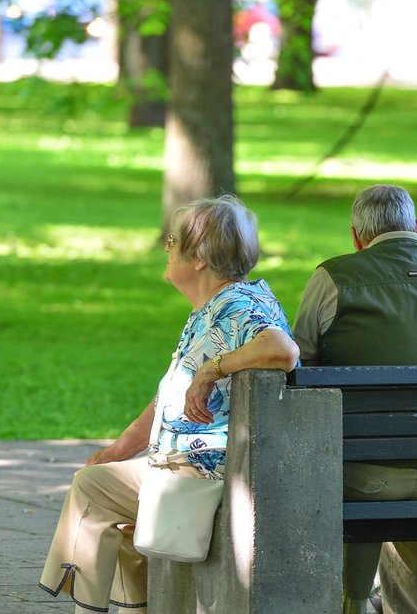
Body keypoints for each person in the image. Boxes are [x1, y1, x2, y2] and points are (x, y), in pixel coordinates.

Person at [39, 195, 300, 613]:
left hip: (206, 470)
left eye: (173, 241)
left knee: (92, 492)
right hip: (192, 464)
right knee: (109, 496)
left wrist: (212, 368)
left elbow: (283, 349)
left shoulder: (237, 306)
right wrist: (117, 451)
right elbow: (167, 395)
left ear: (199, 257)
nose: (167, 247)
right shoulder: (212, 308)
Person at [290, 184, 417, 614]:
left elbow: (299, 362)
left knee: (366, 476)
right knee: (414, 478)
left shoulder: (333, 278)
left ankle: (353, 600)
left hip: (366, 471)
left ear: (357, 237)